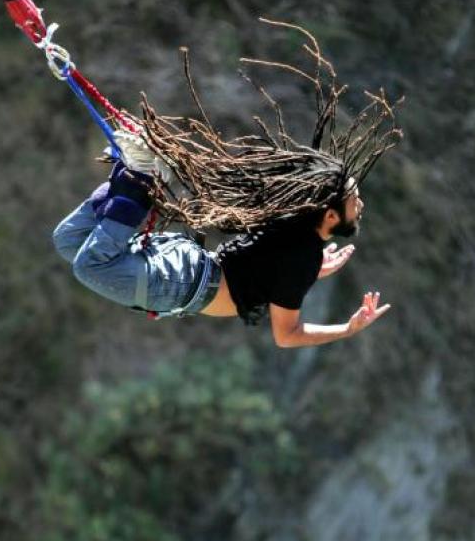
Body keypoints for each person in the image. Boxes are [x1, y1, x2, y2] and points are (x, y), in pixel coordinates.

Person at [52, 20, 402, 348]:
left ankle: (130, 178)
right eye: (354, 200)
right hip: (183, 284)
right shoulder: (304, 253)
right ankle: (140, 176)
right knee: (89, 266)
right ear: (329, 215)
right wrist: (348, 328)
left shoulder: (294, 226)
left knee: (68, 241)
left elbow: (271, 271)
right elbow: (287, 335)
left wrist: (312, 272)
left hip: (187, 264)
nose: (361, 206)